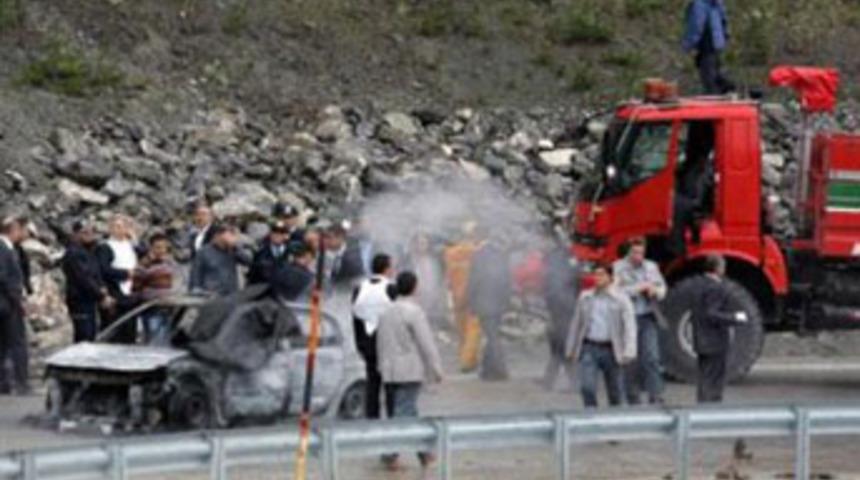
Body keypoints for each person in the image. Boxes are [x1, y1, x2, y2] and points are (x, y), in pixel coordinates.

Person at [376, 271, 444, 472]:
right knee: (404, 411)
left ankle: (423, 454)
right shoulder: (414, 312)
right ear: (414, 287)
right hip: (409, 370)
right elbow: (426, 344)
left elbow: (381, 343)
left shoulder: (386, 311)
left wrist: (382, 366)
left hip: (389, 370)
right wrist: (436, 368)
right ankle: (390, 453)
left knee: (407, 410)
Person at [566, 263, 637, 408]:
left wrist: (629, 350)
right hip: (589, 347)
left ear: (610, 278)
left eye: (601, 275)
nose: (597, 278)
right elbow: (576, 324)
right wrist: (571, 349)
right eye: (595, 274)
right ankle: (591, 417)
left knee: (615, 391)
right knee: (587, 387)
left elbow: (630, 327)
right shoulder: (585, 297)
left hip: (612, 349)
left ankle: (615, 421)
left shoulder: (621, 299)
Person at [614, 237, 668, 405]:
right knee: (630, 358)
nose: (639, 256)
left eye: (641, 253)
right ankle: (631, 394)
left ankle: (655, 394)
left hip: (647, 315)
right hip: (628, 318)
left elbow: (662, 288)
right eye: (635, 252)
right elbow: (616, 291)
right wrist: (639, 288)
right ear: (629, 252)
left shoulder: (651, 267)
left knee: (651, 356)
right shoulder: (618, 268)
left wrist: (655, 291)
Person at [691, 255, 749, 403]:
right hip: (714, 340)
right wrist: (735, 318)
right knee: (715, 378)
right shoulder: (716, 288)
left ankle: (702, 406)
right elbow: (712, 314)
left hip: (700, 338)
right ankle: (712, 409)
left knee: (704, 376)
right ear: (718, 269)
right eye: (722, 266)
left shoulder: (698, 285)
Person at [352, 253, 397, 420]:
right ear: (387, 268)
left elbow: (355, 319)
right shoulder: (392, 289)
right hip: (388, 345)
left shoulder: (360, 288)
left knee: (372, 385)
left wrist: (360, 344)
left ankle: (372, 420)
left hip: (368, 344)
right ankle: (393, 421)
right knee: (390, 386)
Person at [467, 234, 512, 381]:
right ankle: (487, 370)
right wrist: (506, 302)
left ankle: (500, 370)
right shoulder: (501, 255)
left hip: (483, 303)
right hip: (497, 303)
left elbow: (473, 281)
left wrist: (471, 303)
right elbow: (507, 281)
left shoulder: (478, 256)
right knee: (493, 335)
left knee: (492, 337)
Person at [61, 221, 113, 343]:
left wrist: (102, 288)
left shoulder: (88, 252)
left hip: (89, 300)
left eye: (92, 232)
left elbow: (95, 273)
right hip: (79, 300)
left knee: (91, 333)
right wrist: (100, 295)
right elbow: (84, 279)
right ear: (75, 234)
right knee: (84, 335)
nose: (90, 235)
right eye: (85, 232)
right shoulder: (74, 253)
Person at [443, 222, 483, 373]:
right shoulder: (474, 251)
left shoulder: (449, 253)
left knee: (461, 329)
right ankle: (468, 361)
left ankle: (465, 356)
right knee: (473, 329)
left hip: (456, 294)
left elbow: (448, 276)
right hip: (472, 294)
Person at [540, 243, 580, 391]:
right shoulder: (568, 258)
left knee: (560, 345)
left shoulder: (555, 258)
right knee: (561, 344)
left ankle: (552, 380)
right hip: (565, 306)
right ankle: (554, 380)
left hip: (561, 307)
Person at [95, 215, 139, 340]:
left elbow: (144, 253)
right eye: (115, 227)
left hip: (131, 291)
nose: (119, 230)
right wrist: (126, 274)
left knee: (130, 328)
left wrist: (134, 238)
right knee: (114, 328)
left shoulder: (130, 245)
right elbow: (103, 270)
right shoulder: (105, 247)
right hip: (115, 291)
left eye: (122, 227)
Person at [134, 233, 182, 344]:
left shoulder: (171, 263)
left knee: (165, 341)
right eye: (158, 247)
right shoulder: (144, 264)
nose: (161, 250)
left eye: (164, 247)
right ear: (151, 248)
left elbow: (178, 280)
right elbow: (136, 287)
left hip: (168, 308)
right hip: (152, 308)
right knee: (153, 341)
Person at [0, 216, 29, 395]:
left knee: (2, 344)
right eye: (20, 229)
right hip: (7, 305)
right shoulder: (3, 250)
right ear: (13, 229)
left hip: (5, 303)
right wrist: (17, 300)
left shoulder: (10, 249)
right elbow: (3, 277)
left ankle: (4, 382)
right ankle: (20, 381)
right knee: (17, 342)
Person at [682, 0, 734, 94]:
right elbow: (724, 22)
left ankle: (716, 99)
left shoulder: (699, 4)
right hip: (718, 44)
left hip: (706, 44)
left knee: (709, 80)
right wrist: (725, 37)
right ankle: (726, 92)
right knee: (716, 74)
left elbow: (696, 26)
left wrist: (687, 46)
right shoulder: (718, 3)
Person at [189, 224, 251, 296]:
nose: (226, 242)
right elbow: (196, 274)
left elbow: (248, 262)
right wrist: (196, 290)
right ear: (216, 236)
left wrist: (235, 247)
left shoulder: (233, 250)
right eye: (224, 238)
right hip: (211, 295)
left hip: (231, 294)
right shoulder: (203, 252)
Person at [403, 232, 447, 330]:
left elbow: (440, 280)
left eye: (424, 243)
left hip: (432, 301)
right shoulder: (407, 260)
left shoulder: (434, 260)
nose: (421, 246)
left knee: (431, 329)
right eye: (419, 243)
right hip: (414, 301)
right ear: (413, 244)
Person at [247, 221, 291, 287]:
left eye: (281, 232)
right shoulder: (260, 253)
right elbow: (252, 277)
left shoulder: (291, 253)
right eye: (275, 232)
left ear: (286, 235)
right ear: (270, 233)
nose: (277, 235)